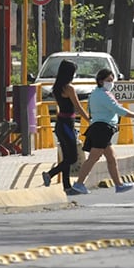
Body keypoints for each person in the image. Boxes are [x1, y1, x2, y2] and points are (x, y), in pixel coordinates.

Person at [69, 67, 134, 195]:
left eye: (112, 80)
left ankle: (119, 184)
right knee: (93, 158)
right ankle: (79, 184)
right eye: (108, 80)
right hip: (102, 129)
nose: (111, 83)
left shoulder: (96, 93)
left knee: (111, 158)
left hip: (102, 129)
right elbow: (118, 110)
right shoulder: (102, 95)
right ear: (100, 81)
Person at [41, 59, 89, 194]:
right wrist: (89, 119)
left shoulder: (57, 87)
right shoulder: (69, 88)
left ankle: (67, 187)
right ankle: (50, 174)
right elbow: (78, 106)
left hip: (60, 124)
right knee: (72, 157)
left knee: (67, 157)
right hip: (67, 124)